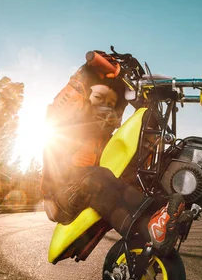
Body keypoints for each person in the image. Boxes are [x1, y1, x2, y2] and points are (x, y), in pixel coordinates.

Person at [41, 61, 188, 251]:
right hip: (60, 197)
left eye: (110, 104)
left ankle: (161, 216)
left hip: (85, 187)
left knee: (126, 172)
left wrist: (148, 105)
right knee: (96, 177)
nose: (105, 105)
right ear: (85, 98)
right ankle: (150, 227)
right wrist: (91, 69)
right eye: (99, 98)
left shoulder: (105, 140)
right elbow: (65, 105)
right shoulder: (63, 124)